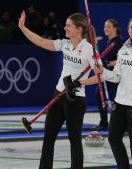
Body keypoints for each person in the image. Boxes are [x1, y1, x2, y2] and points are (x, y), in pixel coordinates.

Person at [80, 16, 132, 169]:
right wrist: (103, 72)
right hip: (121, 102)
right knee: (113, 139)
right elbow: (116, 76)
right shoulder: (123, 49)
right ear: (128, 29)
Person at [19, 11, 96, 169]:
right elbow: (40, 41)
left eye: (69, 26)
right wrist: (22, 27)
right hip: (58, 94)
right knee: (48, 138)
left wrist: (80, 82)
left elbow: (100, 76)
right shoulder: (64, 44)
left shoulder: (89, 49)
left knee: (74, 139)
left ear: (79, 29)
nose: (65, 28)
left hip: (76, 99)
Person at [91, 19, 123, 131]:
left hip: (119, 74)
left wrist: (107, 63)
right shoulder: (110, 41)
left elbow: (121, 59)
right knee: (99, 95)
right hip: (110, 74)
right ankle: (104, 122)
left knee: (120, 100)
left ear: (115, 28)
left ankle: (123, 124)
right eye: (105, 27)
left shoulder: (118, 42)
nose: (105, 29)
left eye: (108, 27)